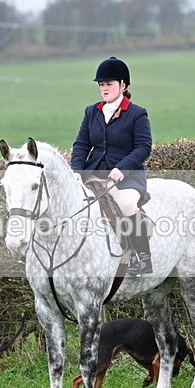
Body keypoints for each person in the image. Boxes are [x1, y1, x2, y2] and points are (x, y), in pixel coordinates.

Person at [70, 56, 154, 276]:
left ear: (123, 85)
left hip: (126, 176)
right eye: (101, 84)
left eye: (109, 84)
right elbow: (81, 144)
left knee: (126, 205)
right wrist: (77, 171)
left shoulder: (137, 113)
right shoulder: (92, 112)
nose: (104, 88)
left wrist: (122, 168)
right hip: (94, 173)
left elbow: (144, 147)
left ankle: (143, 258)